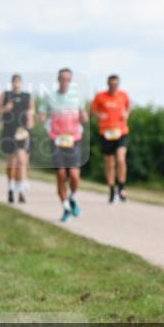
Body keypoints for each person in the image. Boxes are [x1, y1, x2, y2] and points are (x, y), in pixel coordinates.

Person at [39, 68, 88, 222]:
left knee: (74, 175)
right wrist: (41, 117)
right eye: (62, 78)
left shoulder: (77, 97)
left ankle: (72, 197)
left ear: (70, 81)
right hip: (56, 139)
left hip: (74, 139)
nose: (65, 81)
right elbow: (41, 114)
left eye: (68, 79)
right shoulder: (50, 97)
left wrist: (84, 116)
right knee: (61, 175)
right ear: (58, 79)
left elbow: (84, 117)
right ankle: (66, 208)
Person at [91, 75, 132, 203]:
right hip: (106, 133)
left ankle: (121, 188)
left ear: (118, 84)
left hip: (121, 132)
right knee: (110, 163)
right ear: (108, 84)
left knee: (120, 158)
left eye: (116, 84)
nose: (113, 86)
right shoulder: (100, 96)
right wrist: (99, 115)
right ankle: (111, 190)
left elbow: (129, 106)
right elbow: (92, 110)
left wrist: (127, 113)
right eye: (111, 84)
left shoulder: (123, 95)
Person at [0, 74, 34, 203]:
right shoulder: (6, 94)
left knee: (22, 160)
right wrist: (5, 109)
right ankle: (11, 188)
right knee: (12, 162)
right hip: (9, 131)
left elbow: (31, 112)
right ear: (11, 83)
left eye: (18, 81)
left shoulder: (27, 96)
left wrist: (30, 122)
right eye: (14, 81)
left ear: (21, 83)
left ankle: (21, 191)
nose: (16, 84)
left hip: (22, 132)